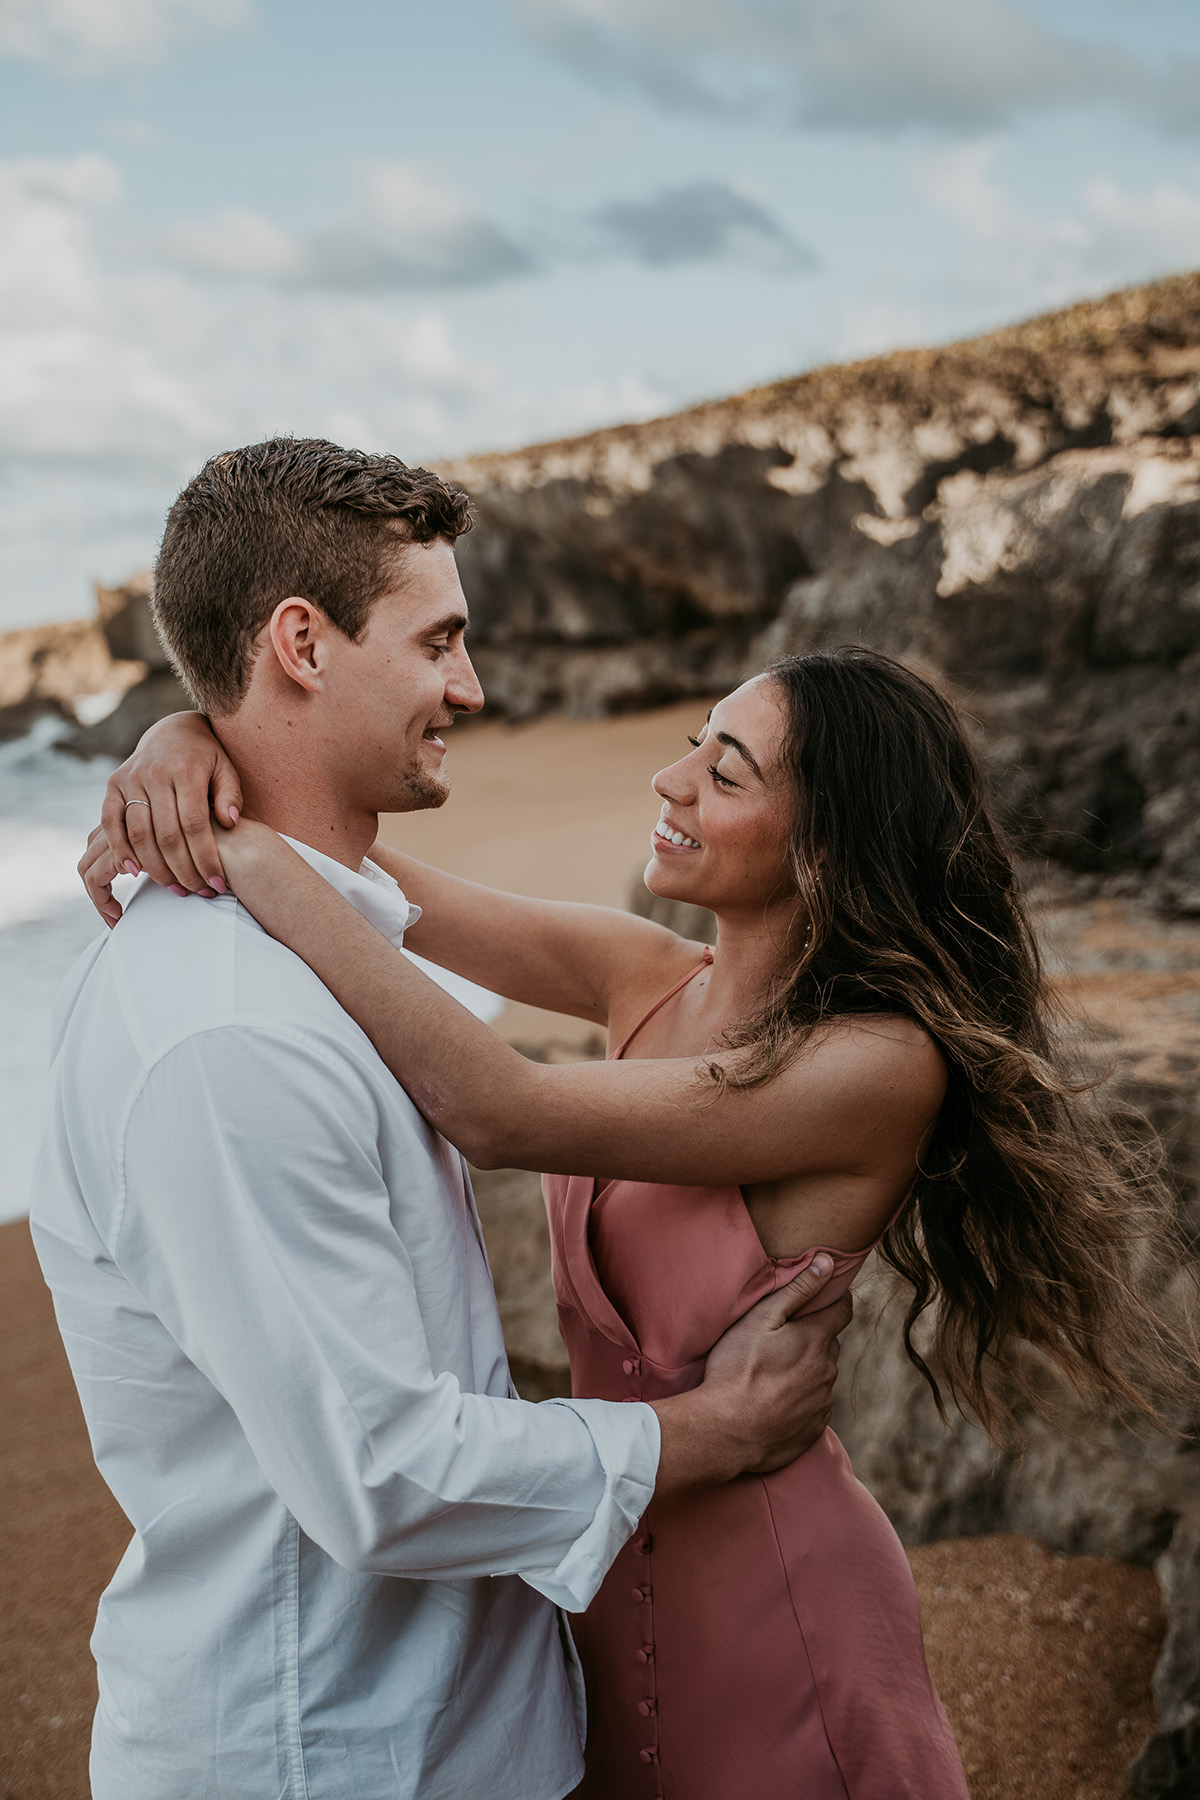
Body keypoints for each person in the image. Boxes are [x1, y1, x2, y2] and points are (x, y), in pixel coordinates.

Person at [84, 505, 1187, 1799]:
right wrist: (185, 747)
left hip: (783, 1606)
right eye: (688, 746)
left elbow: (495, 1107)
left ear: (822, 851)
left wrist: (256, 868)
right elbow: (375, 871)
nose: (670, 784)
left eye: (724, 775)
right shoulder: (644, 975)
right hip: (598, 1564)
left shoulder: (876, 1066)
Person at [37, 437, 855, 1800]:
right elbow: (383, 1472)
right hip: (336, 1752)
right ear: (301, 643)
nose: (469, 688)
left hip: (461, 1722)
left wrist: (202, 749)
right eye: (438, 643)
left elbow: (473, 1061)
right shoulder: (229, 1033)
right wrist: (714, 1432)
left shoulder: (311, 942)